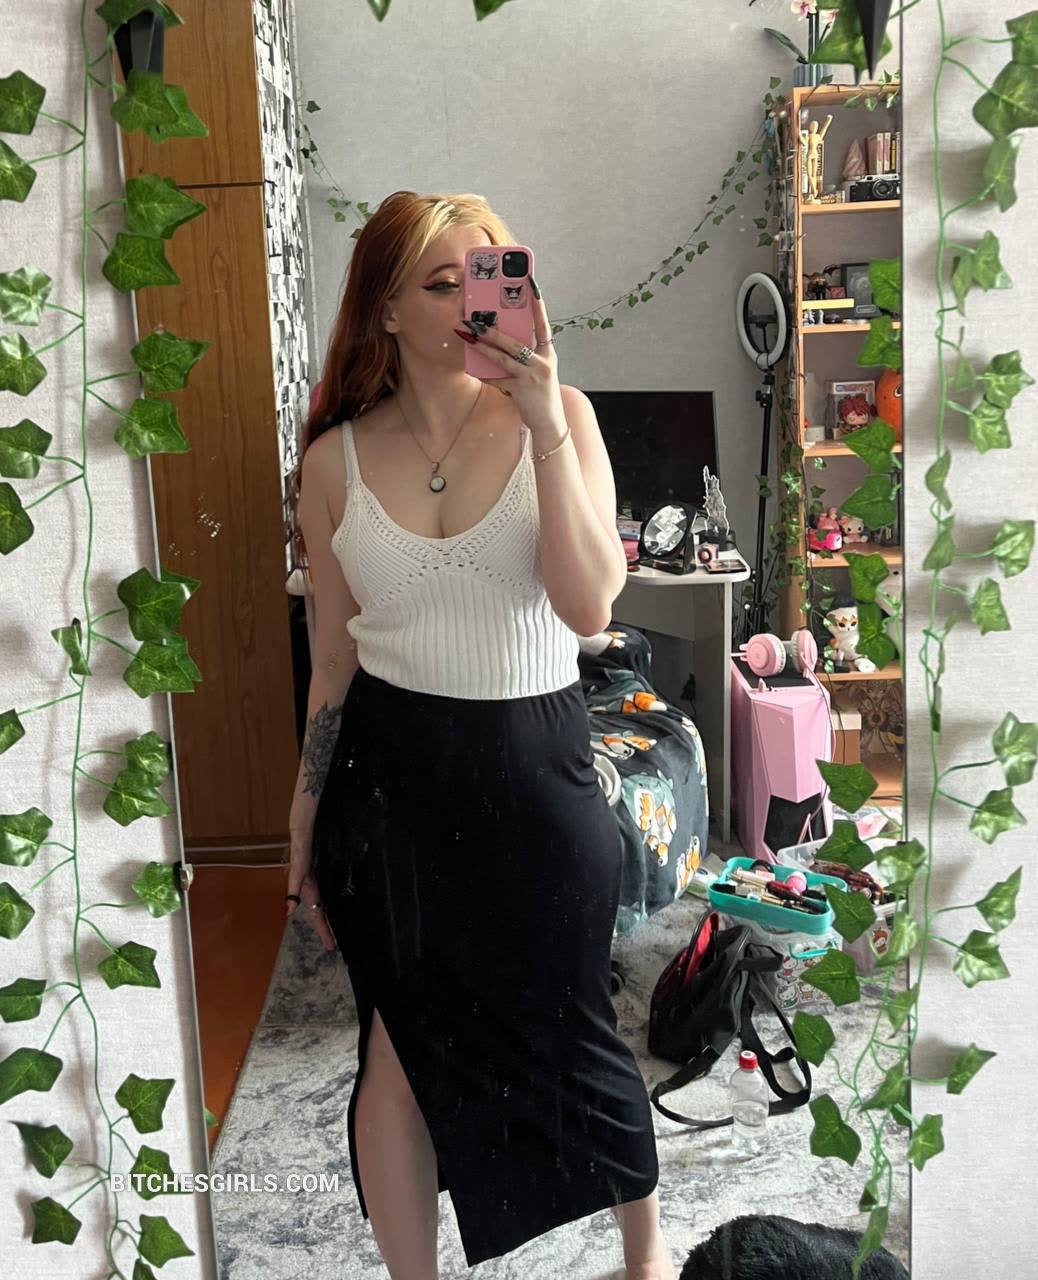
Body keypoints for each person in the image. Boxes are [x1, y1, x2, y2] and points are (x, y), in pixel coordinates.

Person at [286, 190, 673, 1280]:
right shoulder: (332, 463)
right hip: (388, 788)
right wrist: (302, 821)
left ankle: (646, 1256)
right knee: (398, 1052)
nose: (472, 302)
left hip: (537, 769)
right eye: (440, 282)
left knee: (575, 1023)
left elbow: (589, 607)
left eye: (490, 276)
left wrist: (544, 421)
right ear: (384, 310)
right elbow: (331, 663)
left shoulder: (564, 417)